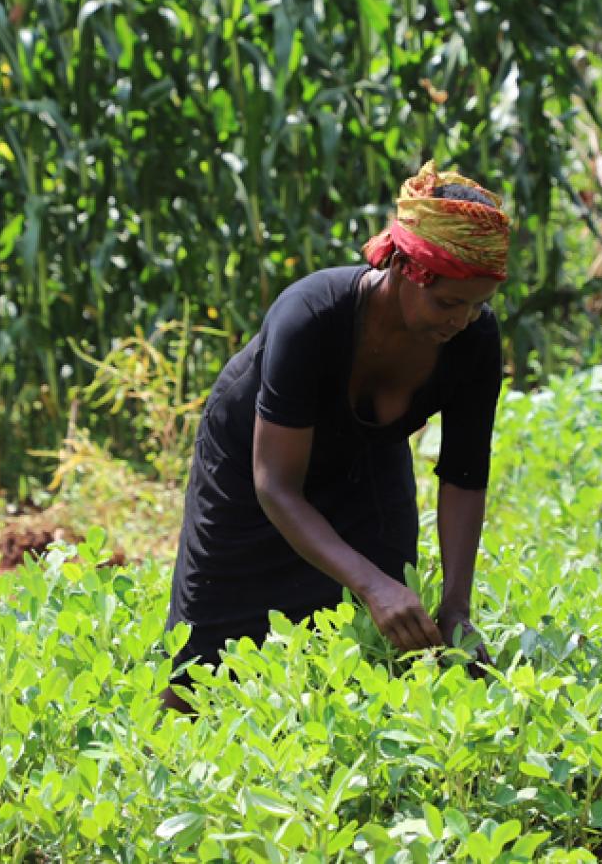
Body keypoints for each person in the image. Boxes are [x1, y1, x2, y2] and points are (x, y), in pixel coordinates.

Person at [161, 161, 509, 710]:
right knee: (206, 657)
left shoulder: (474, 339)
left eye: (478, 304)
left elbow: (464, 474)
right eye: (448, 302)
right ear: (402, 266)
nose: (461, 321)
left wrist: (457, 607)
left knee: (381, 641)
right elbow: (275, 485)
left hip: (367, 457)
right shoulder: (312, 317)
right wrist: (371, 584)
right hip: (254, 465)